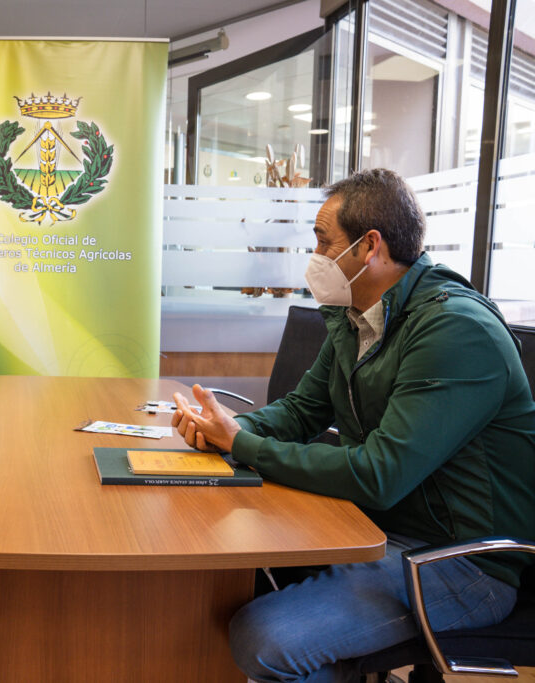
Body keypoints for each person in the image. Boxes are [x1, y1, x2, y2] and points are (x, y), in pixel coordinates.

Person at [172, 168, 535, 682]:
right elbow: (301, 412)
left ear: (370, 247)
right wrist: (225, 427)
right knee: (220, 580)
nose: (315, 256)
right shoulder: (356, 316)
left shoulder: (455, 331)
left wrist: (246, 445)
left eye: (324, 241)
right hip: (374, 529)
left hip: (460, 562)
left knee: (265, 638)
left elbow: (380, 474)